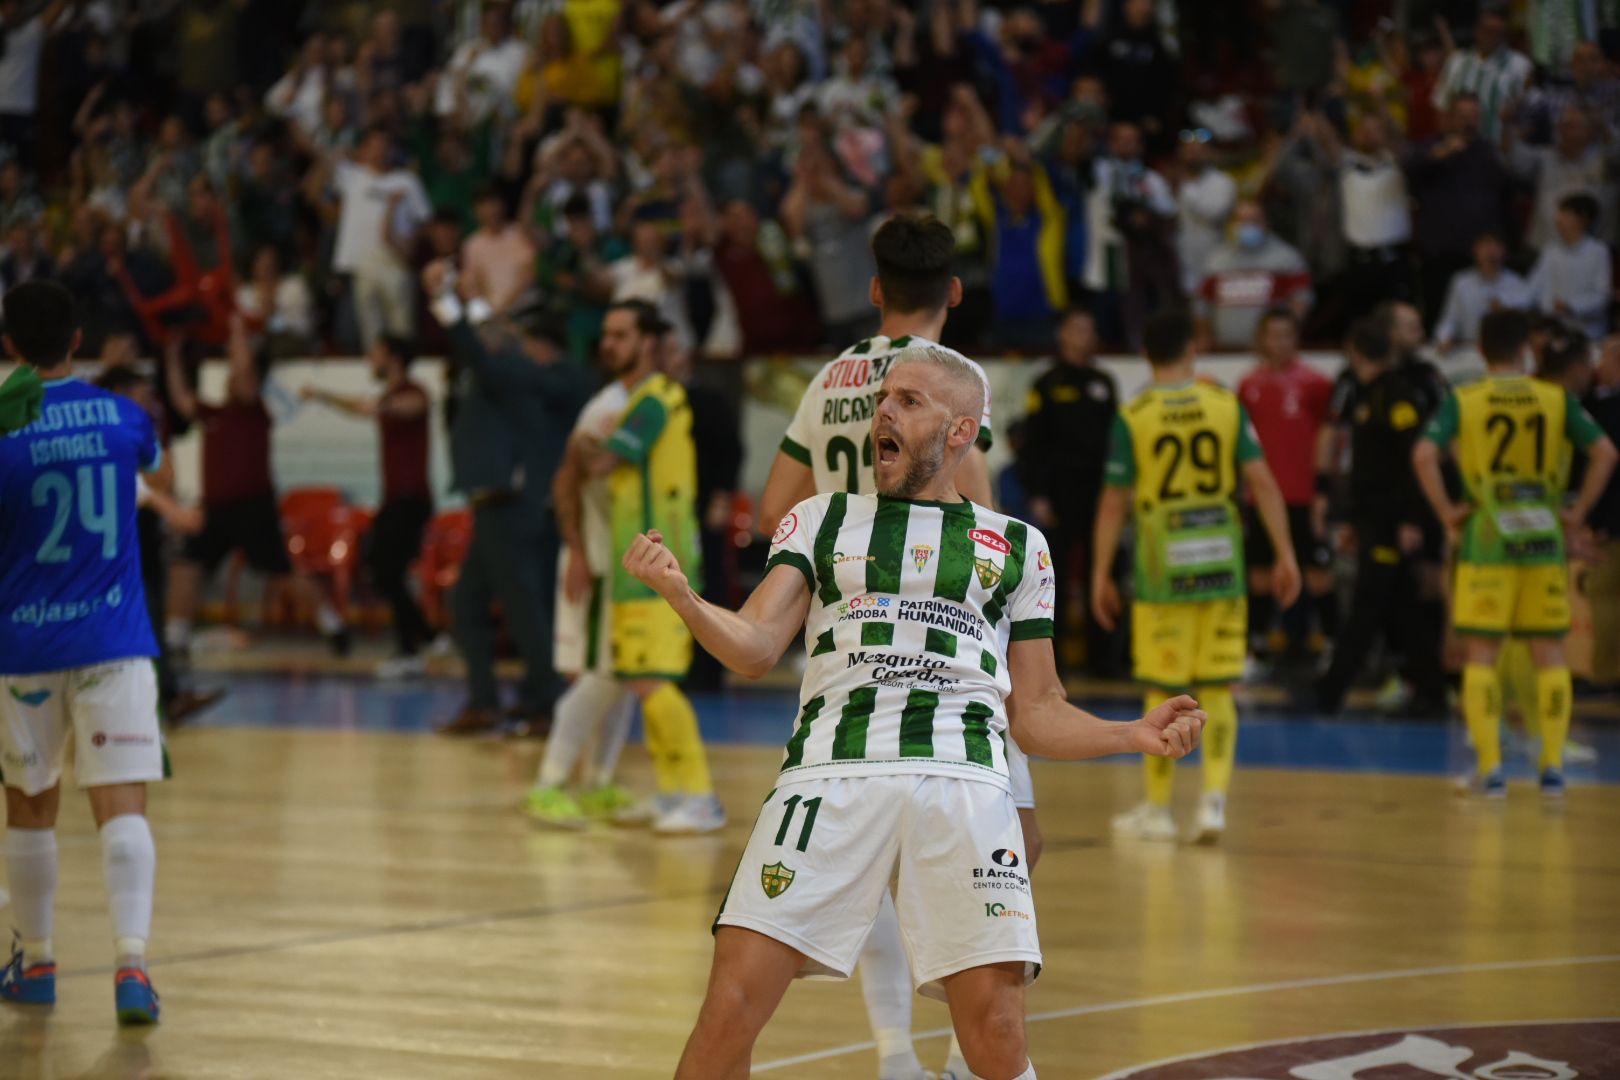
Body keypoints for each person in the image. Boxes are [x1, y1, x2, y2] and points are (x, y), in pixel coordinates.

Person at [629, 347, 1206, 1080]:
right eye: (883, 400)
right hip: (827, 776)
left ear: (962, 431)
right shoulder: (821, 518)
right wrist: (686, 599)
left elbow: (1038, 711)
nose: (884, 414)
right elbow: (753, 648)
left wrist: (1132, 733)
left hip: (963, 779)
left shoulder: (1020, 547)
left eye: (909, 401)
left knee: (996, 1031)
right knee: (728, 1010)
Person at [761, 213, 1021, 1080]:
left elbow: (774, 514)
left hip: (842, 644)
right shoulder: (954, 381)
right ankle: (957, 1057)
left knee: (870, 854)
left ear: (873, 290)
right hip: (944, 652)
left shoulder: (833, 377)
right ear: (954, 292)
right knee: (995, 855)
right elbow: (978, 521)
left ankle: (894, 1054)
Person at [0, 280, 164, 1024]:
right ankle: (132, 969)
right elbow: (149, 457)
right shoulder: (125, 417)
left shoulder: (1, 430)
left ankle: (37, 963)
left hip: (24, 643)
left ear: (8, 345)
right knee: (122, 804)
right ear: (76, 339)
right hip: (113, 641)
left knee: (30, 807)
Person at [1094, 311, 1301, 844]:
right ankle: (1212, 803)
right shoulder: (1224, 405)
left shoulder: (1134, 415)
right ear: (1193, 350)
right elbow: (1264, 484)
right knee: (1219, 685)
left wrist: (1099, 574)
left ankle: (1159, 810)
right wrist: (1285, 554)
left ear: (1146, 356)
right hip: (1221, 570)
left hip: (1164, 574)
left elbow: (1114, 502)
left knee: (1163, 688)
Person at [1413, 310, 1618, 797]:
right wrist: (1577, 511)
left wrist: (1446, 512)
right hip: (1543, 538)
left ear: (1481, 350)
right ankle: (1551, 767)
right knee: (1549, 654)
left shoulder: (1465, 399)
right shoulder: (1555, 398)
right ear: (1525, 348)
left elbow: (1423, 453)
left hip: (1488, 538)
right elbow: (1606, 452)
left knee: (1482, 655)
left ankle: (1492, 770)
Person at [556, 299, 723, 833]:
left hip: (661, 560)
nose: (609, 344)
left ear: (649, 342)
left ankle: (699, 795)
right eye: (606, 334)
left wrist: (584, 441)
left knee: (653, 680)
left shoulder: (654, 400)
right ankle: (674, 791)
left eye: (623, 334)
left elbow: (601, 461)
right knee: (637, 677)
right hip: (640, 563)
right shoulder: (640, 403)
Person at [422, 264, 586, 735]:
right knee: (469, 605)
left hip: (511, 506)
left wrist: (445, 302)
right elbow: (485, 338)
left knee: (523, 608)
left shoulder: (513, 372)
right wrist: (471, 298)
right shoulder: (510, 372)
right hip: (494, 504)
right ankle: (487, 700)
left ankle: (546, 701)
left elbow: (478, 346)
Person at [163, 318, 350, 659]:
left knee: (283, 572)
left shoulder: (254, 411)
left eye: (241, 374)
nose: (236, 378)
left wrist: (235, 330)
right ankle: (175, 638)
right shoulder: (213, 412)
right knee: (185, 565)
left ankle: (333, 625)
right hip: (216, 510)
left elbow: (245, 368)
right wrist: (172, 354)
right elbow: (181, 399)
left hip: (253, 509)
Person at [1314, 319, 1448, 715]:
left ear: (1355, 351)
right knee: (1403, 610)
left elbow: (1413, 460)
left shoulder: (1396, 393)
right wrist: (1355, 519)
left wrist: (1410, 519)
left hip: (1391, 521)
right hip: (1373, 518)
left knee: (1367, 608)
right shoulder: (1366, 394)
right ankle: (1432, 691)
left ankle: (1330, 692)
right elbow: (1370, 467)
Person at [300, 335, 437, 679]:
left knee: (386, 569)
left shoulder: (414, 392)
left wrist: (383, 405)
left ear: (393, 358)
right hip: (396, 499)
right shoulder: (392, 396)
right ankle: (426, 635)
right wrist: (324, 396)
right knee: (381, 566)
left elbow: (408, 407)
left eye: (376, 354)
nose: (370, 360)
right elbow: (367, 407)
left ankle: (413, 648)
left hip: (411, 499)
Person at [1022, 307, 1119, 676]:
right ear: (1062, 334)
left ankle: (1103, 659)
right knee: (1054, 579)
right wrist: (1037, 495)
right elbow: (1033, 445)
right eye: (1075, 328)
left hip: (1098, 494)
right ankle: (1054, 663)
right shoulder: (1046, 383)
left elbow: (1115, 445)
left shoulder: (1104, 383)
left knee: (1101, 571)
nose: (1082, 336)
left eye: (1088, 329)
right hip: (1058, 494)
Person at [1237, 310, 1336, 664]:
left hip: (1304, 495)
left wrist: (1323, 489)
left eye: (1286, 335)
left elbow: (1329, 435)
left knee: (1317, 572)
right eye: (1272, 335)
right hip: (1261, 497)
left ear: (1296, 339)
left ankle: (1329, 645)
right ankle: (1257, 650)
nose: (1279, 342)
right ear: (1262, 339)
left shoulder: (1316, 383)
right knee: (1261, 573)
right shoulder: (1249, 385)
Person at [1196, 200, 1313, 350]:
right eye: (1241, 220)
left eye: (1254, 220)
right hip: (1224, 351)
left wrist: (1282, 338)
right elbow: (1201, 305)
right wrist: (1204, 336)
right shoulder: (1216, 261)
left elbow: (1301, 301)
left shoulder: (1287, 258)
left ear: (1267, 223)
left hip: (1271, 353)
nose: (1248, 225)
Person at [1528, 193, 1612, 341]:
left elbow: (1601, 297)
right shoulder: (1551, 251)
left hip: (1589, 334)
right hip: (1555, 331)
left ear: (1583, 219)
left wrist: (1571, 306)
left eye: (1565, 214)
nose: (1558, 219)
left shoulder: (1598, 251)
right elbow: (1532, 288)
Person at [1435, 231, 1532, 352]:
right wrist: (1444, 338)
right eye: (1485, 247)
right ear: (1475, 251)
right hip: (1469, 348)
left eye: (1495, 248)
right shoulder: (1461, 283)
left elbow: (1524, 324)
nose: (1490, 253)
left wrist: (1504, 310)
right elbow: (1450, 319)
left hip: (1505, 351)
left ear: (1504, 252)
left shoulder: (1518, 284)